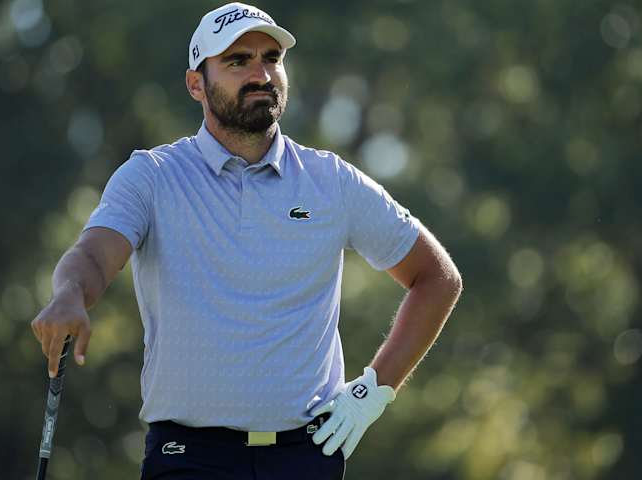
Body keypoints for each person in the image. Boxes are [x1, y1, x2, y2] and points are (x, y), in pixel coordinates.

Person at [30, 3, 462, 479]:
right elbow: (94, 255)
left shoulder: (330, 180)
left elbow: (436, 277)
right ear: (196, 83)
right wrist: (70, 294)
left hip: (305, 455)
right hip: (187, 456)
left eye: (271, 57)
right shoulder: (152, 177)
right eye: (237, 61)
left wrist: (372, 393)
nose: (261, 73)